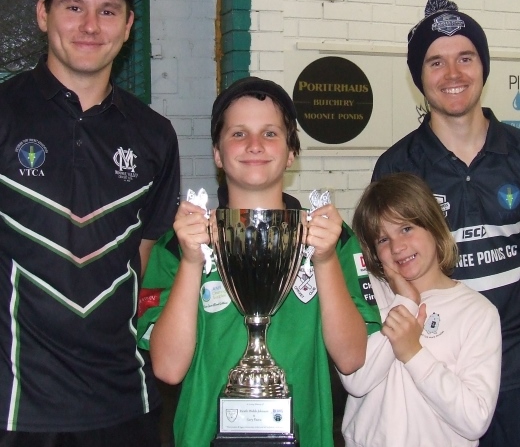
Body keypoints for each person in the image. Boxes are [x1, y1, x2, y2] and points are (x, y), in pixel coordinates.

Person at [137, 76, 382, 447]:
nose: (254, 145)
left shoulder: (333, 239)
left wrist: (326, 259)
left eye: (270, 134)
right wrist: (191, 263)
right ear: (217, 153)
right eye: (238, 134)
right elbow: (169, 370)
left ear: (291, 152)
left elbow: (350, 358)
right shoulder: (178, 245)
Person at [0, 0, 180, 447]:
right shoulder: (6, 113)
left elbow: (135, 265)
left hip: (125, 404)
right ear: (42, 14)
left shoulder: (155, 136)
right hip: (16, 407)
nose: (90, 26)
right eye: (73, 6)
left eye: (108, 11)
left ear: (128, 28)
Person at [372, 0, 520, 446]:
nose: (453, 74)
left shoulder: (517, 151)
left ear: (484, 66)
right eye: (436, 62)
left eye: (465, 58)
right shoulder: (397, 167)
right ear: (419, 76)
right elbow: (385, 275)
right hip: (437, 375)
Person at [339, 172, 501, 446]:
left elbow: (475, 420)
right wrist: (406, 302)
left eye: (406, 229)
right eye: (382, 240)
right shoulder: (370, 296)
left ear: (433, 226)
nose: (398, 247)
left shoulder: (478, 312)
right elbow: (356, 379)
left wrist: (413, 353)